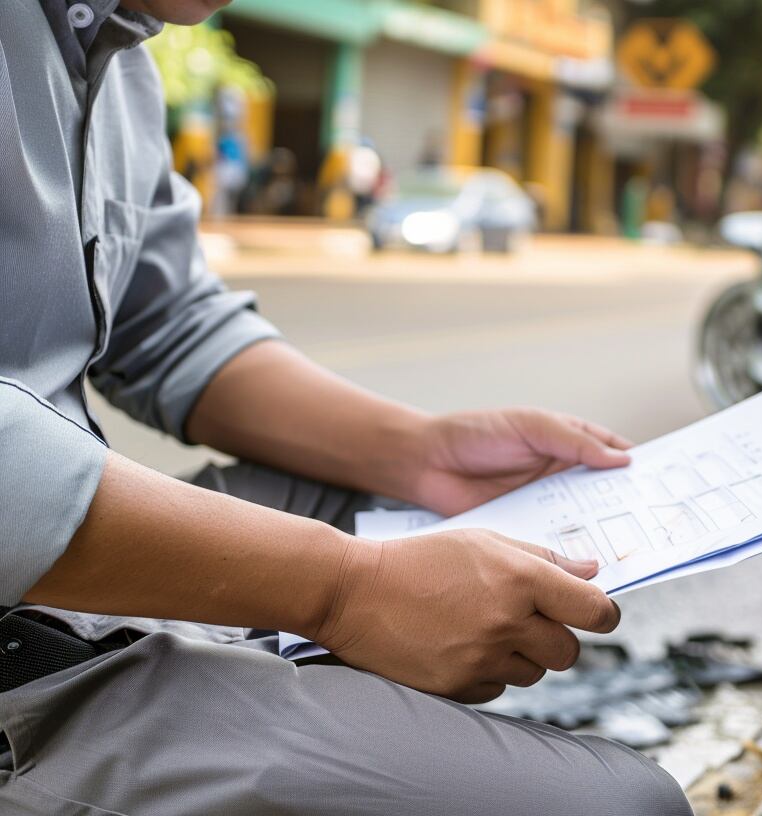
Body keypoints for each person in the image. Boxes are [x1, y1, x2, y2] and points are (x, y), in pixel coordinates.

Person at [0, 2, 694, 814]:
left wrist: (420, 451)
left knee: (420, 513)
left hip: (62, 575)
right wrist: (344, 590)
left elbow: (169, 325)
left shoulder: (117, 58)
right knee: (621, 807)